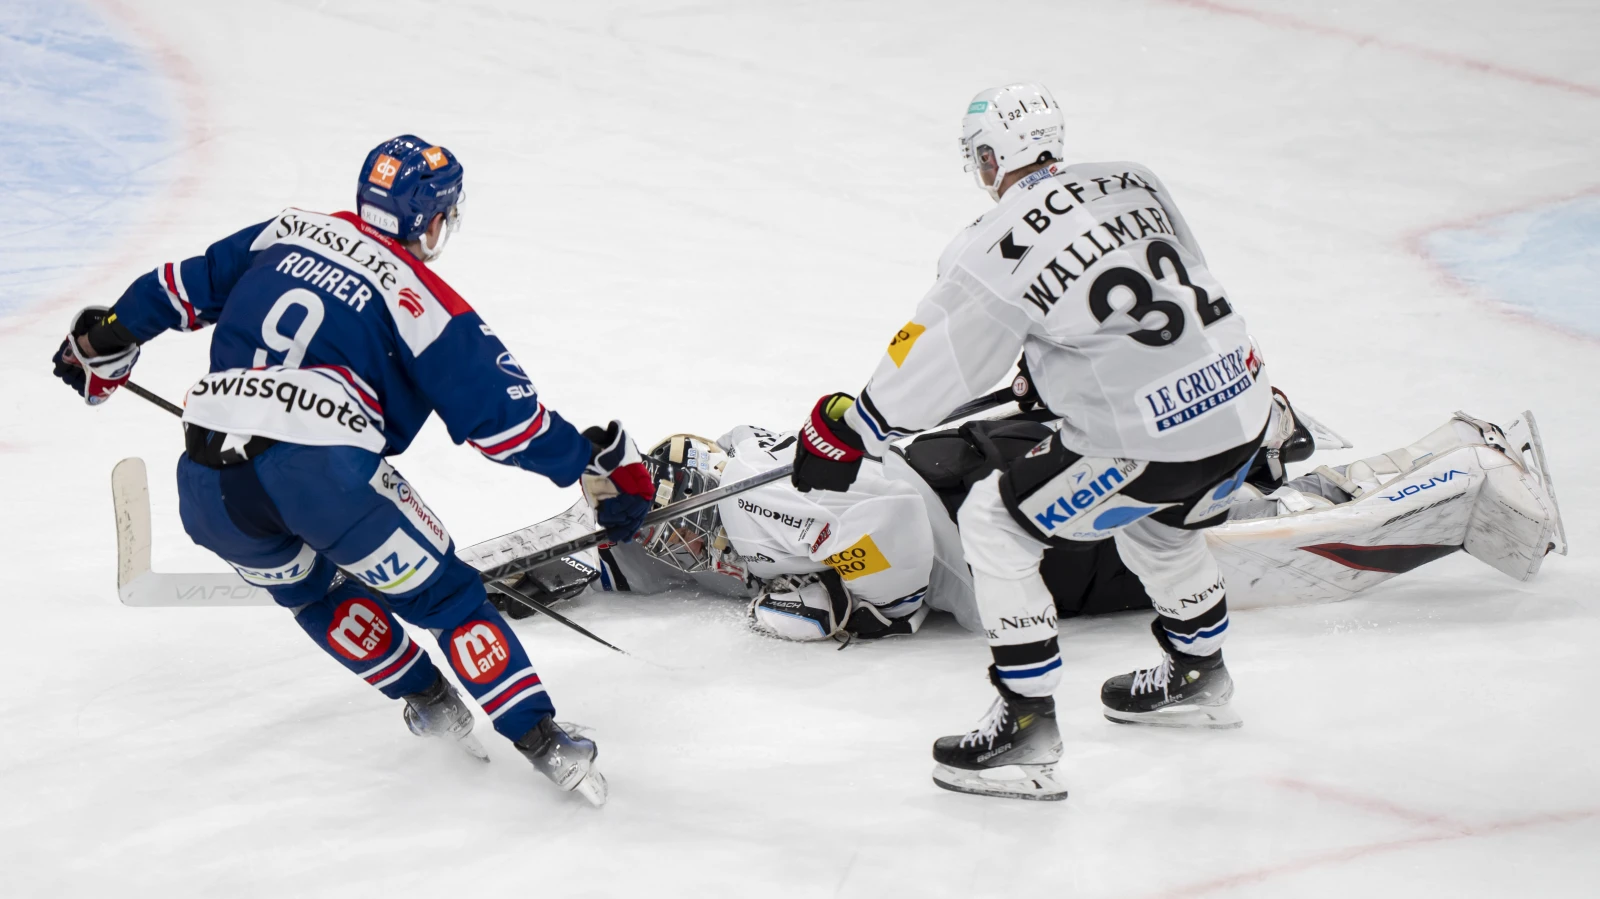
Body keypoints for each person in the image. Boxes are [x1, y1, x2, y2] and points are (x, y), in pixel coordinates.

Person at [50, 135, 654, 806]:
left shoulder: (285, 231)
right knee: (449, 600)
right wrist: (597, 466)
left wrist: (103, 338)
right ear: (433, 220)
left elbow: (171, 291)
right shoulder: (425, 300)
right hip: (324, 480)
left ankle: (429, 702)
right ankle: (546, 743)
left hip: (207, 489)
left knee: (314, 592)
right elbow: (511, 428)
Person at [786, 82, 1279, 800]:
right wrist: (1058, 374)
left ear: (989, 158)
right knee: (1158, 524)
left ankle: (1025, 725)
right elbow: (1173, 296)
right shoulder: (1136, 179)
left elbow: (940, 360)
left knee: (993, 520)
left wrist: (849, 427)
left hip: (1150, 438)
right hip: (1244, 403)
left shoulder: (990, 241)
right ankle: (1199, 671)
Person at [479, 395, 1562, 647]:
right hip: (978, 482)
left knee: (1245, 563)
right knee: (1231, 516)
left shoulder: (738, 501)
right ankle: (1446, 444)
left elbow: (890, 521)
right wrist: (482, 576)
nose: (680, 547)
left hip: (983, 524)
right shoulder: (682, 520)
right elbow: (598, 554)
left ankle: (1468, 495)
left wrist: (853, 599)